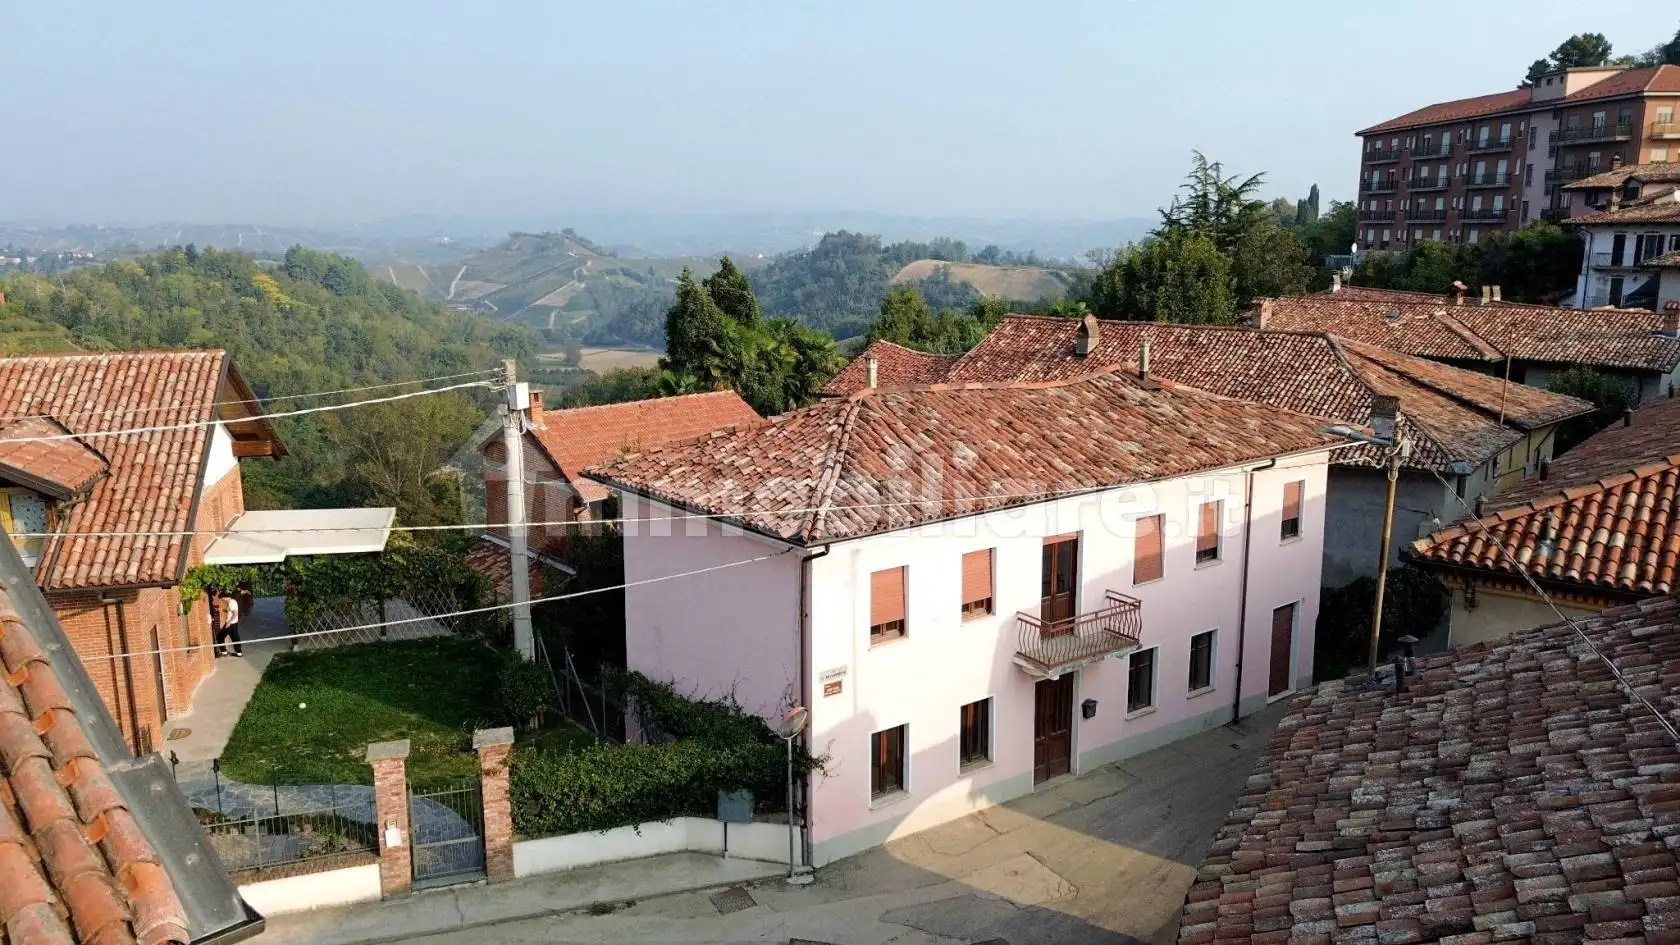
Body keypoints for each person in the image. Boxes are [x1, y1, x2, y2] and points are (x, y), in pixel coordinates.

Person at [214, 589, 244, 658]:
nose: (222, 600)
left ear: (225, 597)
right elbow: (230, 611)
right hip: (234, 623)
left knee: (220, 636)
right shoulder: (233, 601)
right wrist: (222, 610)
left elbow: (235, 614)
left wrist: (229, 623)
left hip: (230, 624)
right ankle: (239, 653)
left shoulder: (231, 603)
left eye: (222, 599)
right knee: (235, 638)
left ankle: (224, 652)